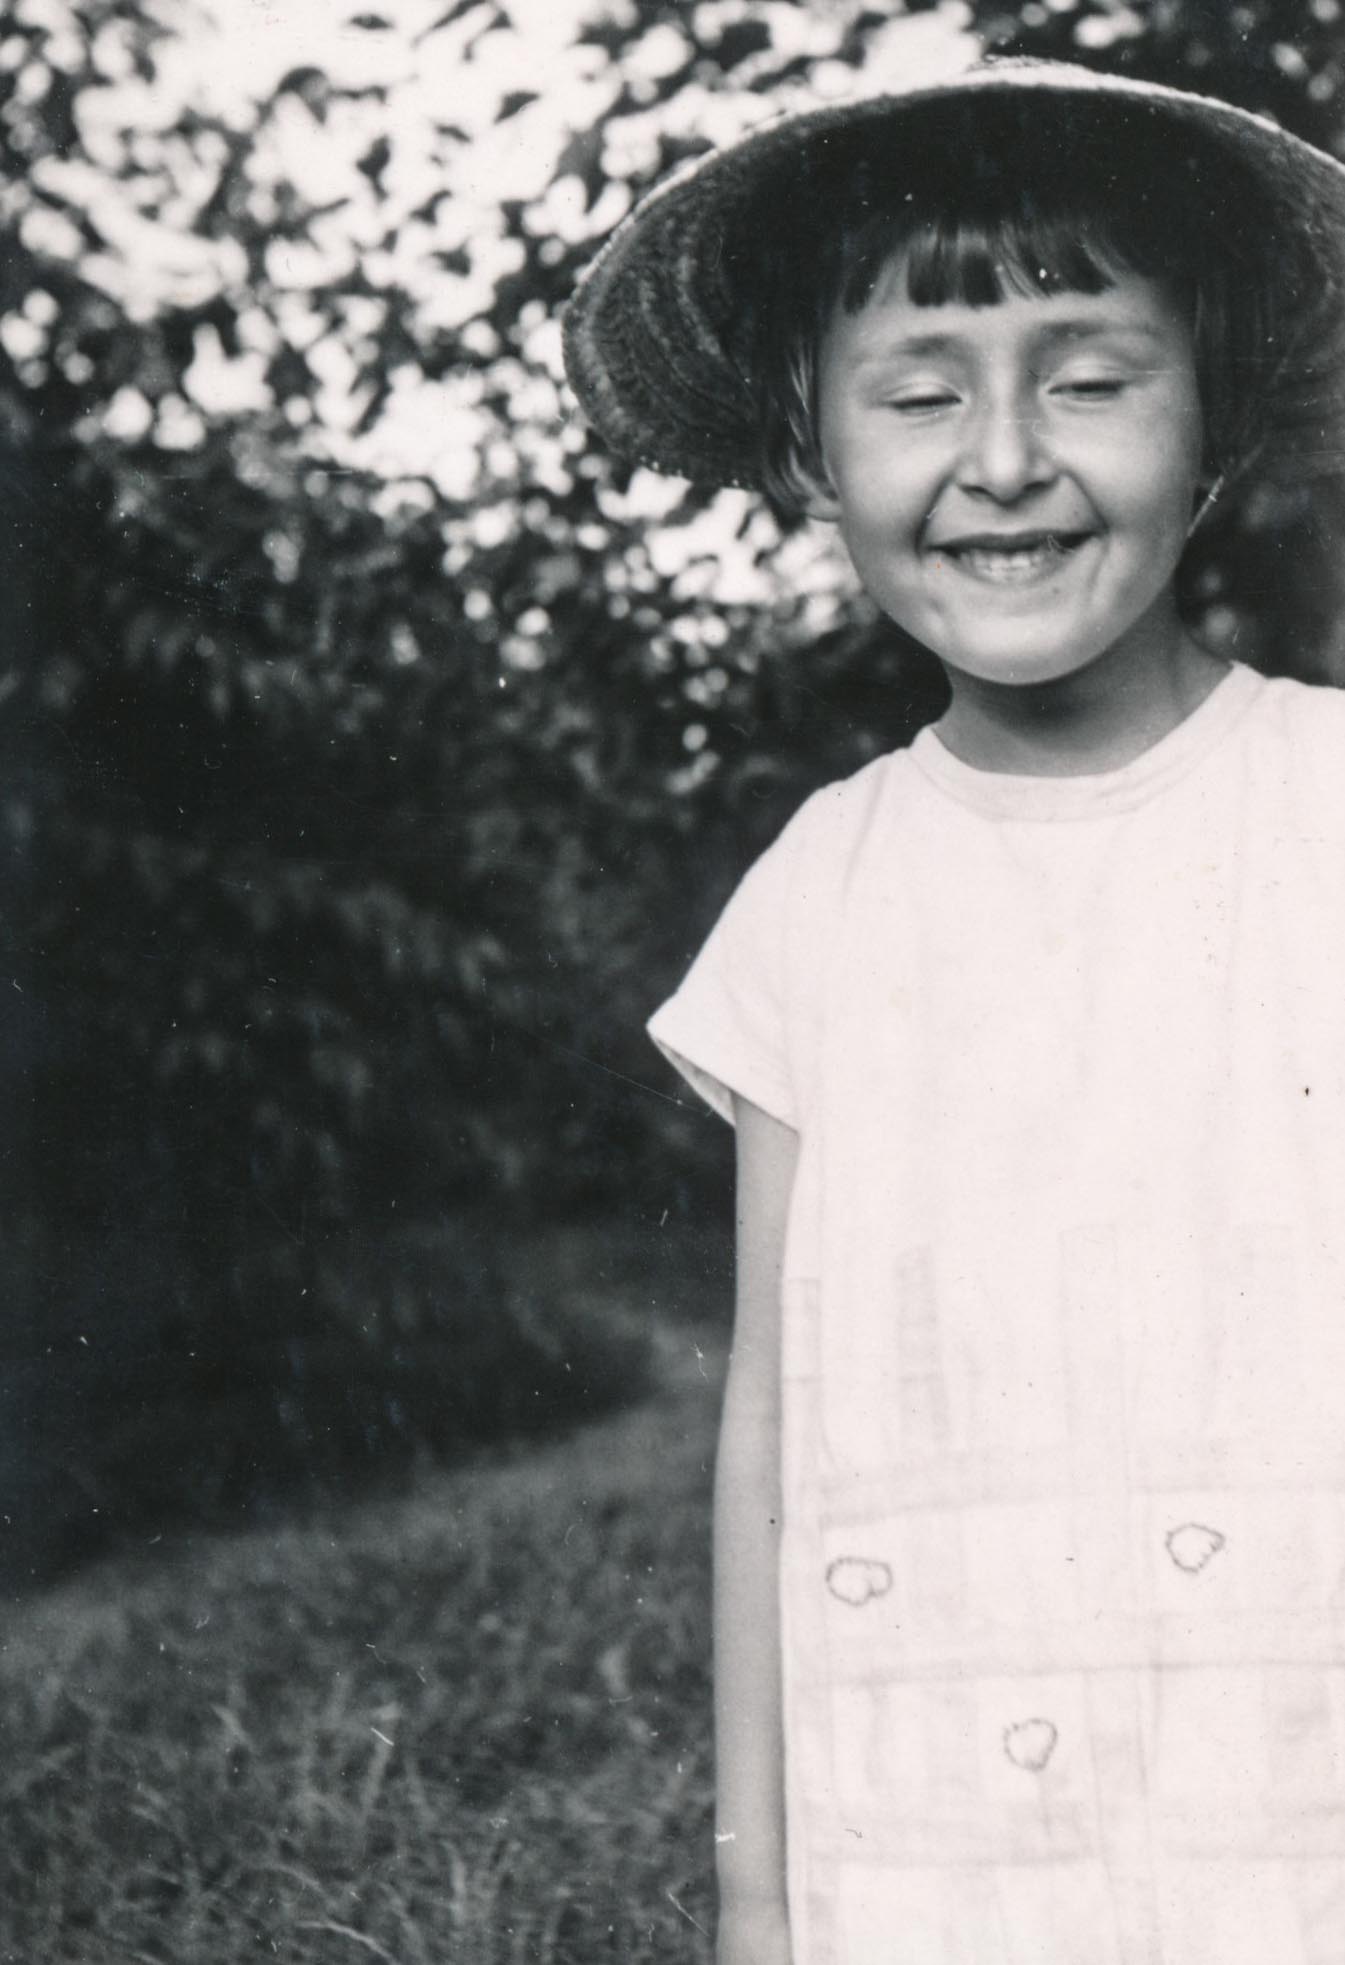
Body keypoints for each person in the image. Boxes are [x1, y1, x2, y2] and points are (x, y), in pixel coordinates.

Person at [564, 57, 1345, 1965]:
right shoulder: (821, 892)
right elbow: (772, 1421)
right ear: (813, 452)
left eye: (1088, 379)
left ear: (1213, 428)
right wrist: (759, 1892)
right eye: (917, 394)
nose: (1001, 459)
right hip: (936, 1844)